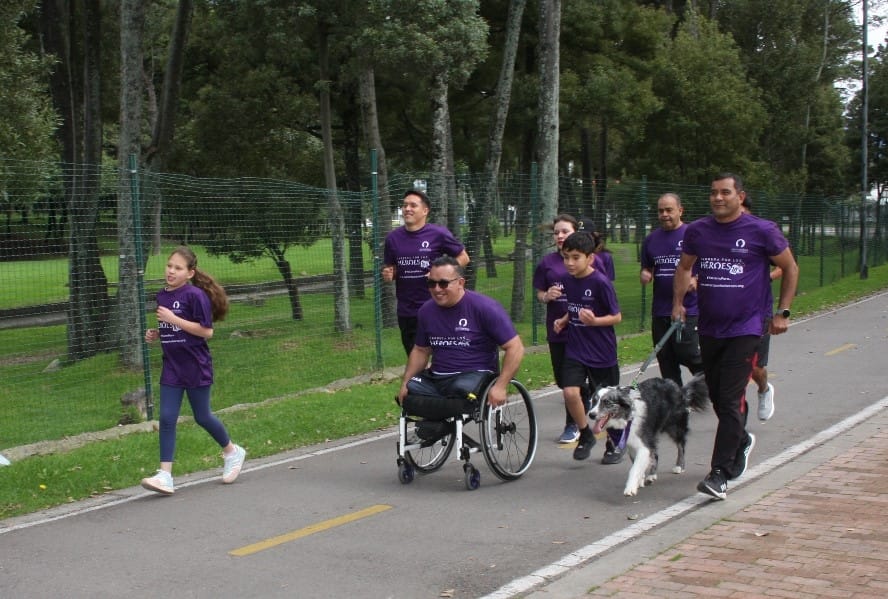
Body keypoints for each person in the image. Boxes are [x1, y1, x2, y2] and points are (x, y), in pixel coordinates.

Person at [672, 173, 798, 500]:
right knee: (715, 395)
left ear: (740, 196)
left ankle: (719, 474)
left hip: (747, 327)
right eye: (713, 193)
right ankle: (741, 440)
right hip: (710, 326)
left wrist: (783, 312)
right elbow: (684, 267)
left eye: (725, 192)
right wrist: (678, 304)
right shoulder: (698, 231)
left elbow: (790, 267)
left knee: (729, 399)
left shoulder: (761, 231)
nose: (718, 198)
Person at [140, 246, 246, 495]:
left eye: (177, 268)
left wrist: (173, 320)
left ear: (190, 273)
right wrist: (156, 333)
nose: (171, 271)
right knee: (166, 418)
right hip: (172, 366)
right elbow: (171, 328)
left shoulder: (195, 295)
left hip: (196, 365)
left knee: (202, 416)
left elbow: (206, 331)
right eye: (169, 266)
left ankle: (232, 451)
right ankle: (165, 475)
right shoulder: (162, 296)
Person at [396, 256, 523, 438]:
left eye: (443, 283)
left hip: (474, 374)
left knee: (459, 391)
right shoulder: (426, 311)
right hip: (439, 376)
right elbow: (421, 350)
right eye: (431, 283)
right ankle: (436, 426)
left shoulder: (485, 308)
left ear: (460, 282)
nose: (437, 289)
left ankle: (440, 423)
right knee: (412, 392)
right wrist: (405, 383)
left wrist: (501, 385)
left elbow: (515, 347)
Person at [534, 215, 613, 444]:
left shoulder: (593, 263)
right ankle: (582, 403)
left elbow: (602, 296)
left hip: (588, 334)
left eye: (564, 231)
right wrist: (547, 296)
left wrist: (595, 320)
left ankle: (574, 425)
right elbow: (539, 292)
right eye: (556, 232)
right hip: (559, 331)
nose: (559, 236)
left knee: (579, 387)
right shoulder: (547, 263)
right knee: (565, 381)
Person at [553, 231, 623, 462]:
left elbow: (616, 317)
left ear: (589, 258)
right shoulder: (567, 280)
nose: (570, 263)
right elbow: (574, 306)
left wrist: (595, 321)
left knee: (608, 400)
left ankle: (614, 442)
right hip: (576, 347)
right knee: (570, 391)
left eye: (575, 257)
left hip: (602, 351)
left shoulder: (600, 282)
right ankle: (585, 433)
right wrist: (564, 319)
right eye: (566, 257)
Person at [383, 189, 470, 356]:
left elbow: (463, 258)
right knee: (415, 357)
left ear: (425, 211)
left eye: (413, 205)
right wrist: (389, 274)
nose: (407, 208)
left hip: (436, 306)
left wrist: (441, 275)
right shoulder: (393, 238)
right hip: (407, 310)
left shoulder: (438, 234)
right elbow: (392, 269)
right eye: (404, 205)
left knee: (443, 357)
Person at [640, 193, 704, 386]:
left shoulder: (692, 235)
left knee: (688, 353)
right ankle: (675, 399)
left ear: (680, 210)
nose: (664, 214)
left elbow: (710, 264)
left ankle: (709, 380)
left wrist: (697, 279)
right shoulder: (651, 240)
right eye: (661, 211)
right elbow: (647, 266)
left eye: (669, 210)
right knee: (665, 357)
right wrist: (645, 273)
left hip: (688, 308)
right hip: (661, 309)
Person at [741, 196, 782, 422]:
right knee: (733, 369)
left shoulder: (762, 234)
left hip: (759, 312)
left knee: (756, 367)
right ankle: (735, 420)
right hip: (731, 315)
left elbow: (785, 267)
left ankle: (764, 389)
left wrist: (765, 276)